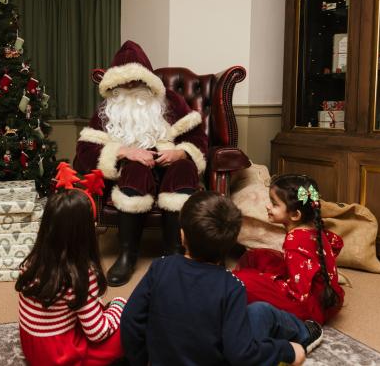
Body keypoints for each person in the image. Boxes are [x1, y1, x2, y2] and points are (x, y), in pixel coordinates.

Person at [120, 190, 322, 366]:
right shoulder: (231, 286)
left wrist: (141, 361)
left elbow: (130, 320)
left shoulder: (159, 267)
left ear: (182, 236)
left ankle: (302, 332)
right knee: (262, 311)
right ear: (232, 241)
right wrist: (285, 350)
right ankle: (303, 334)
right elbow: (241, 354)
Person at [74, 40, 208, 286]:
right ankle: (127, 255)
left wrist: (182, 153)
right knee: (134, 172)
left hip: (169, 161)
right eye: (123, 82)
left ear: (147, 79)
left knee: (184, 169)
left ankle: (174, 254)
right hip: (133, 169)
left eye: (136, 80)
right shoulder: (107, 109)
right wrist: (124, 152)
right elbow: (83, 153)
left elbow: (198, 139)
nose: (130, 86)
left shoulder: (172, 101)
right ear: (113, 83)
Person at [16, 188, 127, 366]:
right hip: (60, 357)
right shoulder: (80, 273)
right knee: (129, 325)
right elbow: (97, 334)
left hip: (34, 350)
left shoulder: (32, 262)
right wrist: (119, 306)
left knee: (94, 307)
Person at [234, 174, 345, 324]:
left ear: (295, 214)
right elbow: (332, 246)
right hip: (314, 288)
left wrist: (267, 280)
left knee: (243, 281)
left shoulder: (295, 240)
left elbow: (299, 293)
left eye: (274, 204)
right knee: (258, 256)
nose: (268, 206)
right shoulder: (314, 229)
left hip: (309, 304)